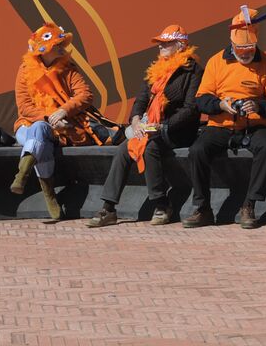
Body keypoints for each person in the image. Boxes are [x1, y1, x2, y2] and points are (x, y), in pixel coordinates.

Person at [87, 24, 203, 228]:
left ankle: (161, 204)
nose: (160, 47)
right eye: (160, 44)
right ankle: (108, 208)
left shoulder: (193, 70)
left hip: (178, 131)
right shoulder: (155, 69)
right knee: (124, 150)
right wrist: (136, 121)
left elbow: (191, 109)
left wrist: (163, 126)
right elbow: (140, 100)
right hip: (151, 128)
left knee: (150, 147)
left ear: (180, 45)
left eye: (165, 44)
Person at [183, 6, 266, 229]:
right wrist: (220, 104)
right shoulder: (216, 62)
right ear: (232, 44)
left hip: (254, 124)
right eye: (240, 50)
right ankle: (203, 208)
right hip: (220, 125)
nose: (245, 55)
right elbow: (201, 99)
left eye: (249, 50)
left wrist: (257, 105)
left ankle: (249, 205)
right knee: (197, 151)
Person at [12, 23, 95, 222]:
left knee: (41, 135)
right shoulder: (25, 71)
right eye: (58, 44)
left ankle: (23, 172)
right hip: (27, 125)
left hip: (58, 128)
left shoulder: (68, 69)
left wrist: (63, 110)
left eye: (62, 43)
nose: (63, 48)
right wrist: (49, 118)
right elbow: (24, 107)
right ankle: (49, 194)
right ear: (45, 50)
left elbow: (85, 94)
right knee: (39, 129)